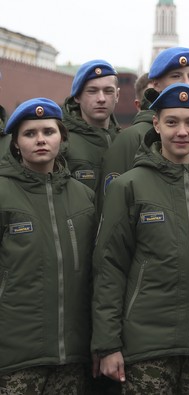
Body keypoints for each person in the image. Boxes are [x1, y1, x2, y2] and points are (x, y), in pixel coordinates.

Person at [91, 83, 189, 394]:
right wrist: (107, 345)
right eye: (171, 122)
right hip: (147, 347)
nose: (181, 132)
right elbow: (109, 267)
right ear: (156, 124)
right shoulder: (129, 186)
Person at [0, 98, 96, 394]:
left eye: (48, 132)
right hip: (15, 353)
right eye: (29, 134)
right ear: (15, 143)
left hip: (71, 353)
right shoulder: (3, 192)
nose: (40, 139)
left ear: (62, 137)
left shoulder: (84, 197)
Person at [98, 47, 189, 212]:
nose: (186, 83)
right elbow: (113, 207)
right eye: (176, 76)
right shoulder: (131, 139)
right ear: (155, 85)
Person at [61, 59, 121, 192]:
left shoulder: (125, 142)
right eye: (92, 91)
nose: (101, 99)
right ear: (77, 96)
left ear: (117, 95)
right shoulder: (62, 143)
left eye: (108, 91)